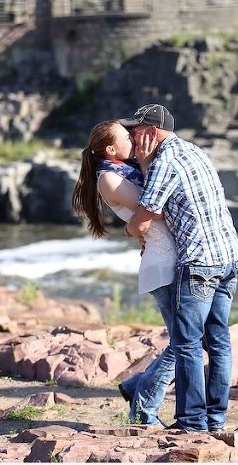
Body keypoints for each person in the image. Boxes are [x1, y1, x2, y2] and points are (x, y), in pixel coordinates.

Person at [121, 103, 238, 432]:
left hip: (199, 261)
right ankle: (215, 421)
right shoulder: (193, 150)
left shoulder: (163, 160)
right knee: (218, 341)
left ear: (149, 133)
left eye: (134, 131)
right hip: (229, 256)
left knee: (186, 343)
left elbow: (143, 220)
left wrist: (129, 228)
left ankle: (191, 423)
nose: (130, 137)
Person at [70, 119, 177, 426]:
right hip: (161, 262)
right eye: (126, 137)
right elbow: (153, 205)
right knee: (186, 343)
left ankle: (136, 386)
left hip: (167, 257)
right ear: (112, 149)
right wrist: (145, 162)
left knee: (189, 340)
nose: (134, 139)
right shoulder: (109, 178)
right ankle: (143, 405)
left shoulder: (123, 169)